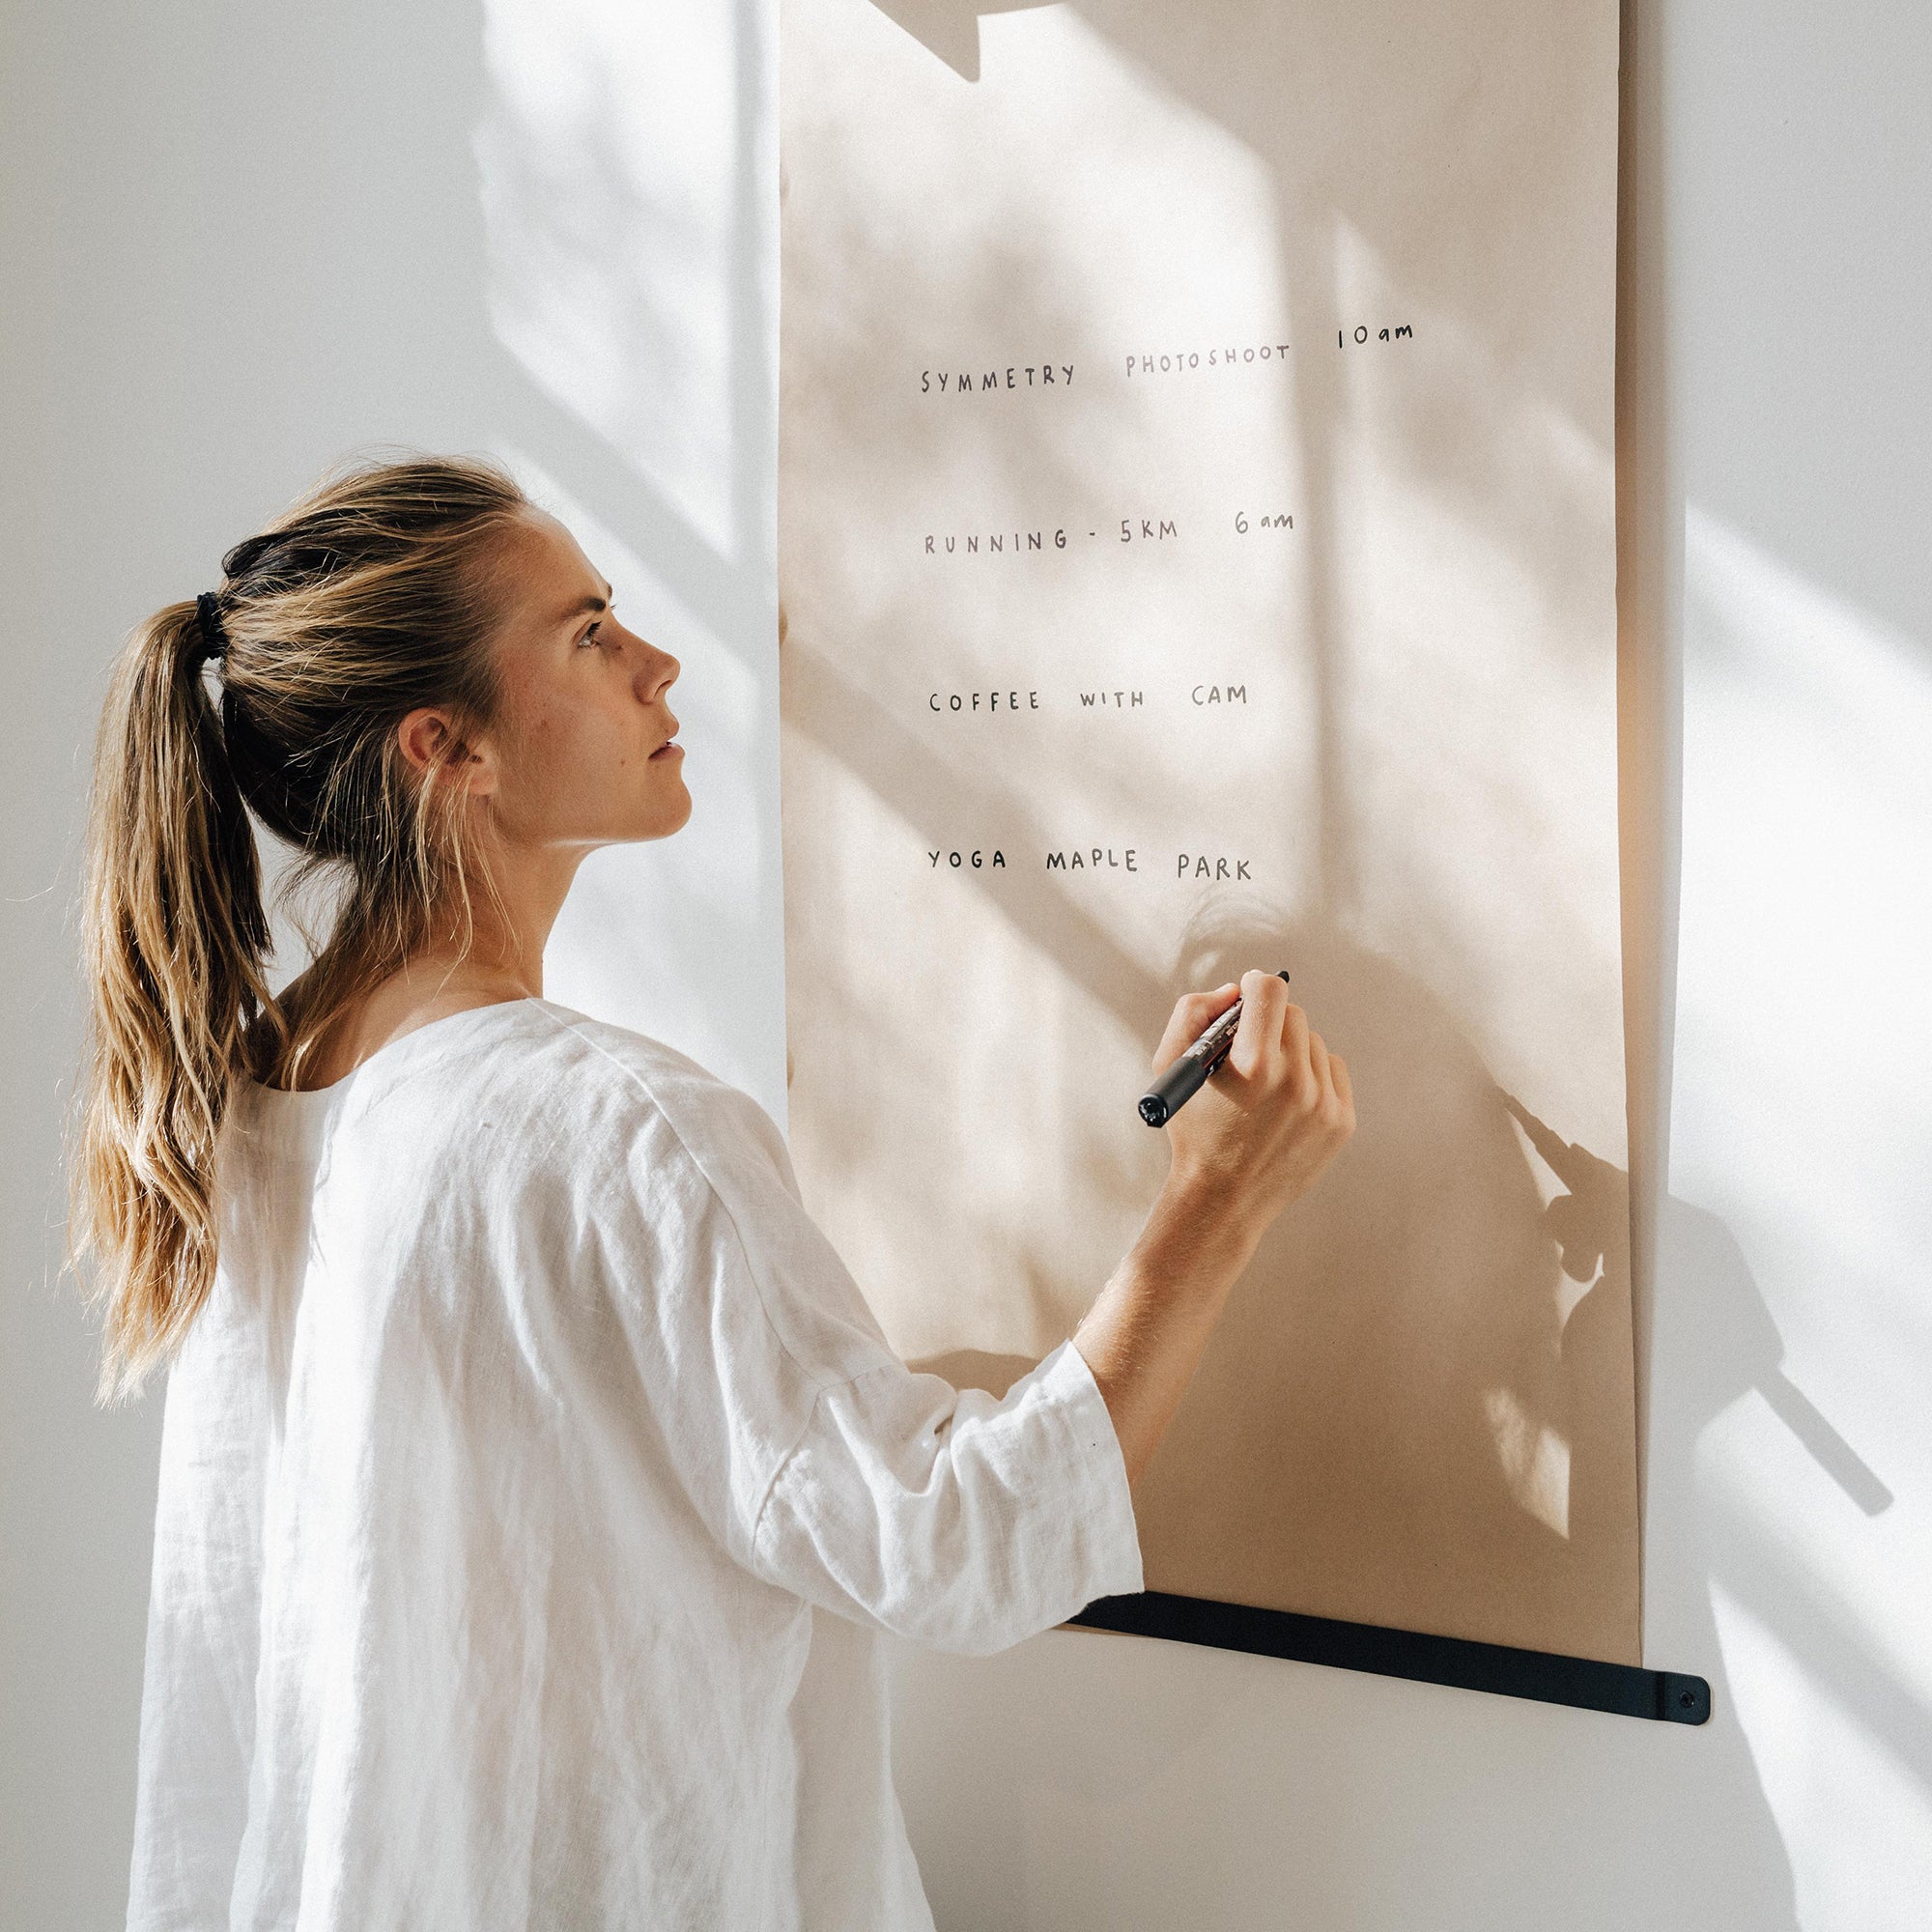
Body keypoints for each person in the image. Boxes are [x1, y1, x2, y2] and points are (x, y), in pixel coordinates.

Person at [73, 455, 1353, 1931]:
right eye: (591, 634)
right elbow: (959, 1552)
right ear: (449, 750)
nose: (660, 662)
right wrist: (1220, 1203)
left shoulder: (249, 1097)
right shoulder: (614, 1128)